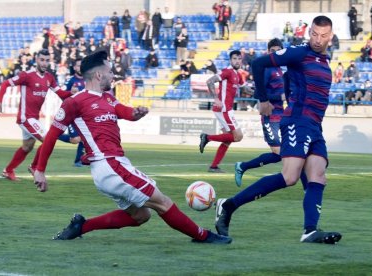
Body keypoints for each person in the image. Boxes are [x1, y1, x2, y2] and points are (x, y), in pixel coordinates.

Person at [32, 50, 231, 245]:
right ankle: (204, 236)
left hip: (113, 166)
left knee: (140, 215)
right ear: (99, 74)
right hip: (109, 166)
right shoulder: (74, 102)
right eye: (110, 72)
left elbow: (126, 112)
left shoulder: (108, 98)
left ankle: (82, 226)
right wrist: (40, 170)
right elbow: (51, 136)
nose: (113, 75)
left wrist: (137, 113)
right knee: (162, 202)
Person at [215, 16, 342, 244]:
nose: (317, 39)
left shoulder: (324, 61)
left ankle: (310, 231)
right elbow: (258, 63)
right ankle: (228, 205)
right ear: (309, 32)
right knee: (290, 176)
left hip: (314, 127)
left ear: (330, 37)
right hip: (297, 121)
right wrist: (263, 100)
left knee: (318, 176)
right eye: (314, 33)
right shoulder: (299, 53)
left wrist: (288, 92)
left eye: (323, 36)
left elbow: (286, 77)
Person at [233, 38, 308, 190]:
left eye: (277, 51)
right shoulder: (267, 69)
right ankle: (243, 166)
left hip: (284, 115)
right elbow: (260, 93)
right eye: (272, 51)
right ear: (268, 52)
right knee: (280, 153)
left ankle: (308, 187)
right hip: (270, 116)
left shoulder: (282, 70)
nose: (274, 54)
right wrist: (276, 97)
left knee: (295, 151)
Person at [0, 49, 71, 181]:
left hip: (33, 118)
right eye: (42, 60)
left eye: (47, 60)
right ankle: (35, 167)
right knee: (47, 140)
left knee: (27, 147)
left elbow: (61, 94)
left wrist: (74, 93)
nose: (44, 63)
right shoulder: (26, 75)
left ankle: (8, 171)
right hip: (25, 118)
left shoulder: (49, 78)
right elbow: (6, 83)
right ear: (36, 60)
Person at [199, 50, 244, 173]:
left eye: (239, 59)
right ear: (230, 60)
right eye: (234, 58)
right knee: (238, 136)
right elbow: (210, 81)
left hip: (227, 109)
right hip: (224, 109)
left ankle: (214, 166)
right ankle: (207, 137)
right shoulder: (227, 72)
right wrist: (216, 98)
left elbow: (245, 88)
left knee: (228, 139)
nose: (237, 61)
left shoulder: (238, 75)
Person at [57, 58, 86, 167]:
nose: (80, 67)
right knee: (76, 140)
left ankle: (78, 161)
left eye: (81, 65)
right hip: (71, 115)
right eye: (78, 65)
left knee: (85, 137)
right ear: (74, 68)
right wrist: (70, 96)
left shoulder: (88, 80)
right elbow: (61, 93)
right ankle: (54, 135)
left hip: (83, 115)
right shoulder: (70, 81)